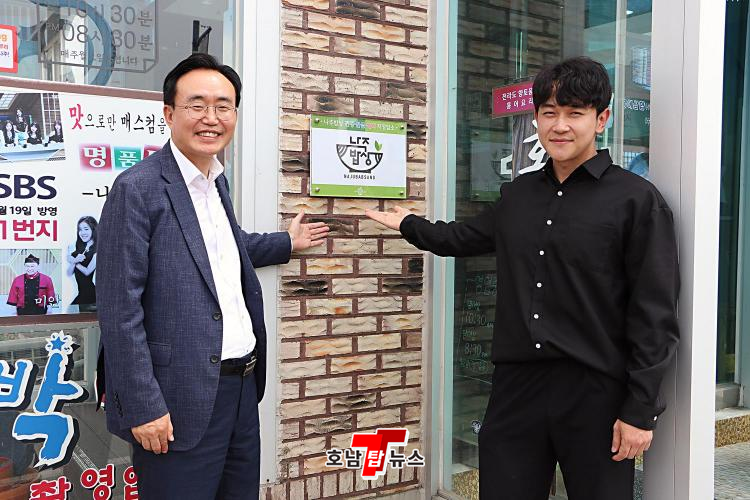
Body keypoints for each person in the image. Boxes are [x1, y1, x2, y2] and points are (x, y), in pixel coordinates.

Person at [366, 57, 680, 500]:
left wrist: (640, 408)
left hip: (595, 391)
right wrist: (409, 224)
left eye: (574, 113)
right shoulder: (518, 195)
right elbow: (462, 237)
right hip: (516, 387)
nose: (560, 125)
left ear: (601, 118)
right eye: (549, 112)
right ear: (536, 118)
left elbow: (654, 312)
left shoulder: (636, 200)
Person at [96, 53, 329, 500]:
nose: (211, 118)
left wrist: (286, 242)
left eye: (224, 106)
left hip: (240, 390)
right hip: (176, 397)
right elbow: (118, 308)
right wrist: (143, 405)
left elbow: (220, 250)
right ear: (169, 114)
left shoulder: (215, 181)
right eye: (197, 105)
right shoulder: (138, 188)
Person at [67, 216, 98, 311]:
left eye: (86, 229)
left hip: (90, 294)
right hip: (82, 292)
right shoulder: (79, 248)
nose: (82, 232)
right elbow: (69, 273)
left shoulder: (97, 250)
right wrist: (74, 261)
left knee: (72, 312)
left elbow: (87, 271)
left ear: (93, 230)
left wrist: (75, 261)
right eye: (80, 229)